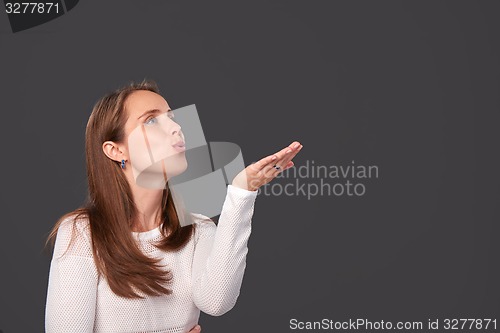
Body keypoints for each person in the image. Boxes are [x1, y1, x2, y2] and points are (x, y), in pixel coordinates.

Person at [44, 79, 302, 333]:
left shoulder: (197, 229)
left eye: (172, 117)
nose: (176, 128)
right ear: (116, 150)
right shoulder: (81, 233)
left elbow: (217, 303)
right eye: (151, 120)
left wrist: (243, 191)